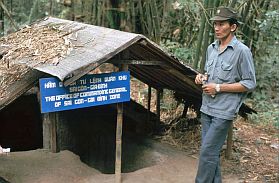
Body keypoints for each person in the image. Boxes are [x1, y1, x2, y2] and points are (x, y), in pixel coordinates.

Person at [194, 6, 256, 183]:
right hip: (207, 108)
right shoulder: (211, 48)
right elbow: (209, 74)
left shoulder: (242, 51)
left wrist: (219, 88)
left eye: (221, 24)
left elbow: (249, 83)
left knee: (207, 152)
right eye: (215, 24)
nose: (216, 28)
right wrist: (201, 77)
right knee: (210, 152)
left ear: (233, 27)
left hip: (224, 111)